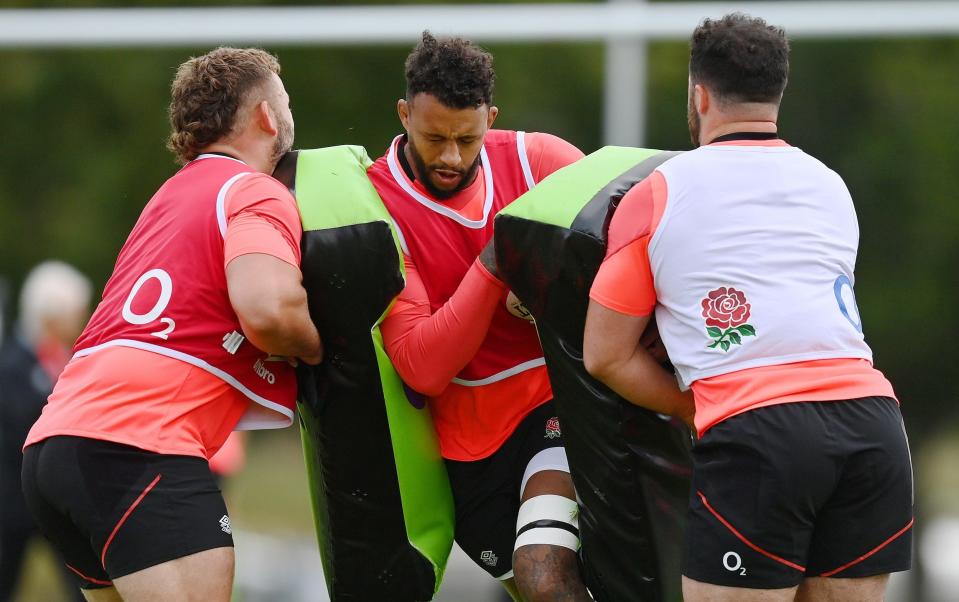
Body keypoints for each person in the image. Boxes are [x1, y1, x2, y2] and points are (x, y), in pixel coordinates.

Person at [583, 13, 913, 602]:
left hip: (762, 432)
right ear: (777, 93)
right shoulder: (831, 185)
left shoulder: (656, 192)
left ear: (700, 94)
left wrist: (691, 407)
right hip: (873, 425)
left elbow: (604, 354)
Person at [20, 47, 322, 602]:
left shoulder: (168, 197)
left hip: (54, 447)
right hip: (137, 448)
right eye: (285, 99)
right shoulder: (256, 189)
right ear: (266, 116)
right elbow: (270, 311)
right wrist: (322, 349)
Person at [366, 32, 590, 601]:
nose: (449, 156)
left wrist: (550, 291)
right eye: (433, 136)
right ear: (403, 113)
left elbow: (622, 259)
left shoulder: (542, 162)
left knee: (545, 573)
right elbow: (422, 367)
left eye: (467, 139)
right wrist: (499, 262)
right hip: (468, 449)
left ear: (491, 117)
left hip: (554, 404)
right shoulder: (378, 206)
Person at [0, 261, 91, 602]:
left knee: (85, 586)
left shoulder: (68, 360)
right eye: (74, 312)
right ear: (51, 316)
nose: (80, 319)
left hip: (57, 503)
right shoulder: (11, 365)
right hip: (12, 503)